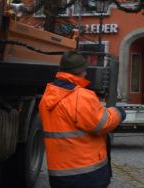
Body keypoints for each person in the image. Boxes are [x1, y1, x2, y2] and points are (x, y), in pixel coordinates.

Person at [39, 51, 125, 188]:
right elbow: (102, 124)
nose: (86, 74)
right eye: (85, 70)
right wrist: (119, 112)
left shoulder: (48, 95)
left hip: (59, 173)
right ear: (80, 71)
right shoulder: (81, 96)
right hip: (86, 172)